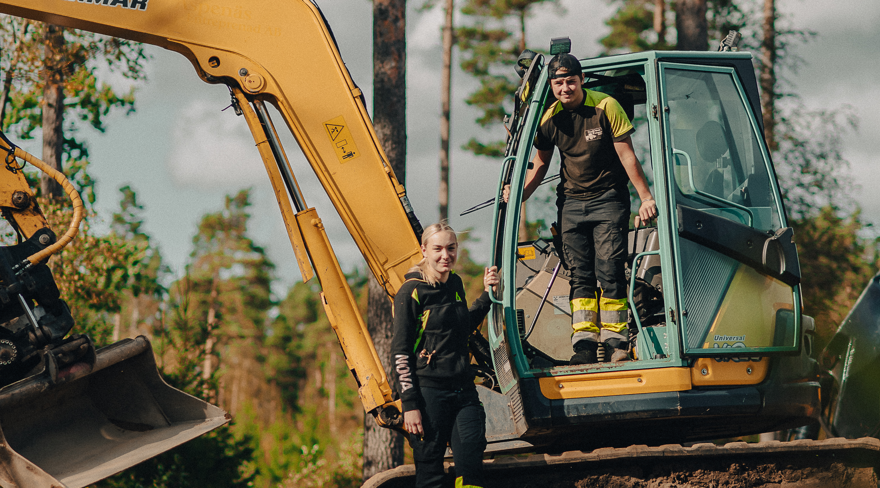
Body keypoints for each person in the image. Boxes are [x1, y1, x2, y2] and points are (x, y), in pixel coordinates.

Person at [505, 53, 657, 365]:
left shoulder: (606, 107)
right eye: (558, 83)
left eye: (570, 81)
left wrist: (645, 197)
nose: (565, 87)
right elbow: (541, 165)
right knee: (579, 273)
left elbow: (627, 155)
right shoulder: (549, 119)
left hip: (609, 199)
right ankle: (584, 344)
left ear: (581, 80)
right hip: (572, 203)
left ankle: (617, 342)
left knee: (610, 268)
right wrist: (520, 195)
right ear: (552, 85)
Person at [390, 221, 499, 488]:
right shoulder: (412, 291)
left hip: (463, 391)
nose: (445, 255)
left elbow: (460, 330)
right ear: (424, 250)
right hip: (428, 395)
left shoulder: (455, 284)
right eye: (438, 249)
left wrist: (487, 296)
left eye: (451, 248)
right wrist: (410, 404)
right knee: (431, 473)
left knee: (471, 464)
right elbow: (400, 352)